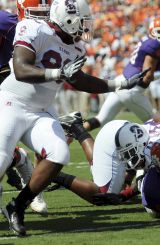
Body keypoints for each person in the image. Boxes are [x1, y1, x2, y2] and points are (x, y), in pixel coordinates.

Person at [0, 0, 146, 236]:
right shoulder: (33, 28)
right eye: (82, 22)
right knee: (1, 159)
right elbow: (21, 68)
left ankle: (17, 206)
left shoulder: (76, 48)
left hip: (41, 110)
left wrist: (118, 83)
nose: (85, 27)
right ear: (67, 19)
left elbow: (79, 80)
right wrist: (58, 73)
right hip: (10, 103)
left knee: (60, 153)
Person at [0, 0, 53, 214]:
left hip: (7, 84)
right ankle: (20, 160)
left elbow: (30, 29)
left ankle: (31, 183)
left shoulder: (5, 20)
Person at [83, 16, 160, 131]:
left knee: (100, 119)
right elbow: (146, 77)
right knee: (154, 122)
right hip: (132, 89)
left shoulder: (146, 40)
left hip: (120, 83)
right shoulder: (154, 45)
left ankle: (76, 131)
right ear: (152, 31)